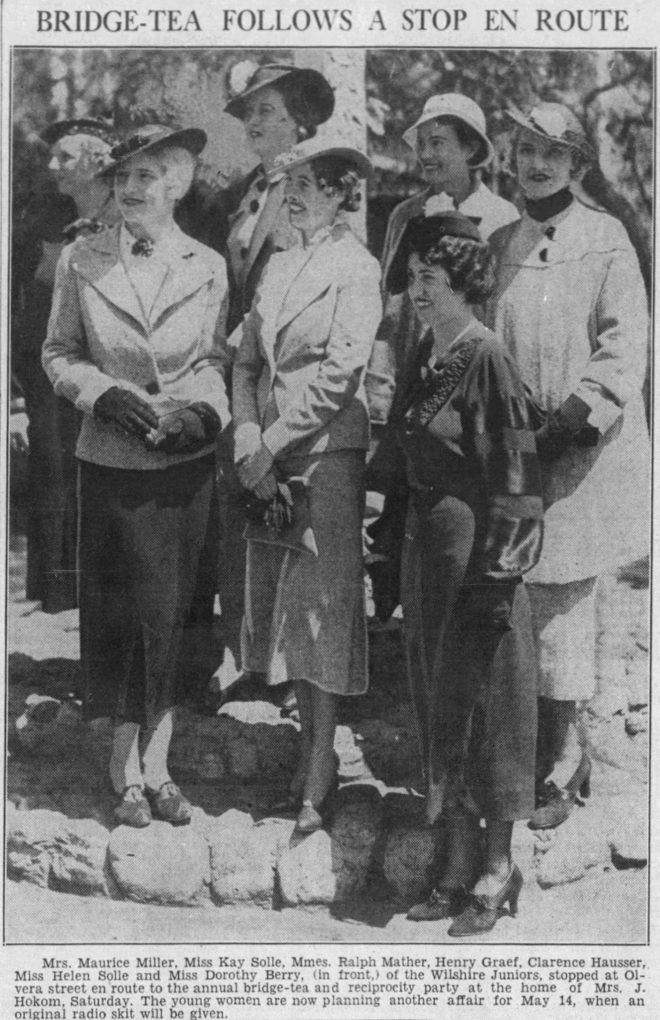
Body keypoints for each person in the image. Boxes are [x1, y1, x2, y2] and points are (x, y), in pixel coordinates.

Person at [42, 124, 229, 827]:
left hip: (183, 465)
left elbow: (213, 360)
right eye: (122, 175)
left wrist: (203, 416)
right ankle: (124, 770)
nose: (131, 188)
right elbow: (57, 351)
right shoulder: (80, 259)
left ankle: (162, 763)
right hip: (113, 461)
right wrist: (99, 394)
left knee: (176, 613)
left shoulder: (207, 263)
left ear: (177, 181)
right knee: (121, 616)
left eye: (148, 175)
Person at [371, 211, 543, 935]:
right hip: (426, 556)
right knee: (439, 703)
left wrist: (500, 572)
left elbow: (518, 471)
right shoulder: (426, 353)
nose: (417, 291)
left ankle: (498, 869)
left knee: (490, 704)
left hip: (479, 558)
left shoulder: (485, 356)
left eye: (431, 280)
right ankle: (456, 856)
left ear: (465, 284)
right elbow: (402, 459)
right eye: (411, 278)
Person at [487, 103, 649, 829]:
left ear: (579, 166)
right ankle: (524, 749)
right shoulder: (501, 242)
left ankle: (565, 755)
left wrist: (573, 420)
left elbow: (624, 347)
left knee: (566, 604)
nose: (537, 164)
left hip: (579, 455)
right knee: (520, 599)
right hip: (518, 452)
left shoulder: (606, 239)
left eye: (554, 153)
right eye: (526, 150)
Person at [231, 136, 381, 832]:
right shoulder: (280, 264)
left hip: (321, 460)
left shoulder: (356, 267)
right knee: (283, 611)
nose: (292, 194)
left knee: (321, 614)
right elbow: (242, 359)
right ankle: (300, 757)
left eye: (310, 184)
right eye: (289, 182)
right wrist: (244, 436)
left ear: (341, 193)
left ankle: (321, 769)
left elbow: (340, 374)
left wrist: (272, 441)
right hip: (266, 461)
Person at [365, 94, 519, 622]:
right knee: (402, 518)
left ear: (472, 148)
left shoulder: (501, 217)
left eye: (440, 143)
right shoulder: (407, 213)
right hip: (416, 372)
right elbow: (390, 307)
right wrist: (382, 388)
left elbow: (494, 305)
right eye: (422, 144)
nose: (427, 155)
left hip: (469, 377)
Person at [210, 61, 336, 703]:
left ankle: (292, 672)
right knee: (245, 509)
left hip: (296, 371)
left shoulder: (318, 184)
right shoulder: (250, 191)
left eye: (266, 111)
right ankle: (248, 655)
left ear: (301, 118)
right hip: (247, 364)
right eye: (248, 113)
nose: (253, 123)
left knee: (292, 511)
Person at [12, 118, 118, 612]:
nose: (53, 167)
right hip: (44, 370)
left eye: (65, 158)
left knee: (95, 468)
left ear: (96, 162)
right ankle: (55, 589)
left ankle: (96, 586)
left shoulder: (123, 215)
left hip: (104, 369)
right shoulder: (42, 220)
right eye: (52, 157)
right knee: (51, 465)